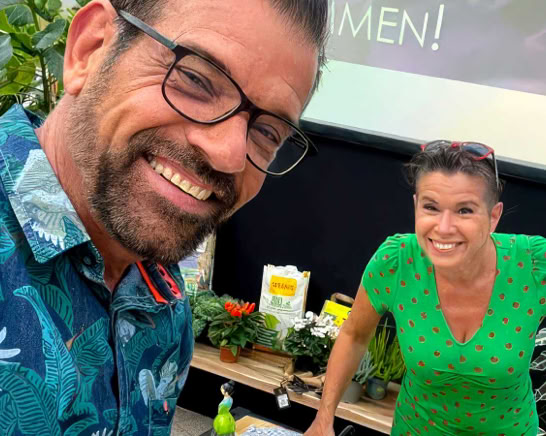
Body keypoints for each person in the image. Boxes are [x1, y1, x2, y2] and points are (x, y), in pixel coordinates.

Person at [0, 0, 328, 434]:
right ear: (89, 50)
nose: (229, 155)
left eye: (267, 132)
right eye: (196, 79)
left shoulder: (166, 305)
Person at [305, 141, 546, 435]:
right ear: (416, 205)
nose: (443, 228)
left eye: (464, 210)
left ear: (493, 217)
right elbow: (354, 336)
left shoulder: (534, 265)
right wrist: (324, 418)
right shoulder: (396, 262)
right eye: (431, 207)